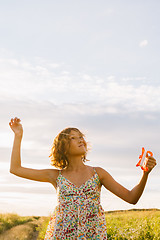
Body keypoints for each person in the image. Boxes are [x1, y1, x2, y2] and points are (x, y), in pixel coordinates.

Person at [9, 117, 157, 240]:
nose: (80, 140)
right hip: (61, 235)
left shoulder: (98, 173)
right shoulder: (56, 176)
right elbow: (15, 169)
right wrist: (18, 136)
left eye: (81, 137)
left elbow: (132, 198)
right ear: (63, 147)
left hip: (92, 235)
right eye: (73, 138)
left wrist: (145, 174)